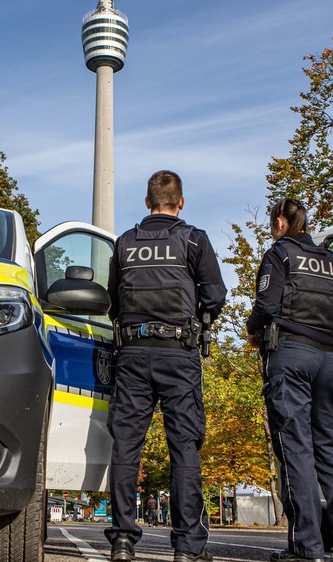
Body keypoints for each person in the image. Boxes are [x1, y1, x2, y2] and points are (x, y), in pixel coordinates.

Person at [104, 170, 227, 562]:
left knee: (126, 445)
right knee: (184, 448)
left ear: (147, 202)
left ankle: (123, 540)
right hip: (179, 354)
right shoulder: (194, 240)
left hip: (132, 354)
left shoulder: (124, 243)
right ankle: (187, 547)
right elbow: (215, 295)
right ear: (181, 202)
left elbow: (113, 302)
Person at [246, 198, 333, 562]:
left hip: (291, 356)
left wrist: (254, 331)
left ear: (280, 222)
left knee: (295, 451)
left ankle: (307, 548)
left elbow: (266, 306)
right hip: (329, 360)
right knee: (331, 452)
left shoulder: (279, 255)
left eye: (272, 223)